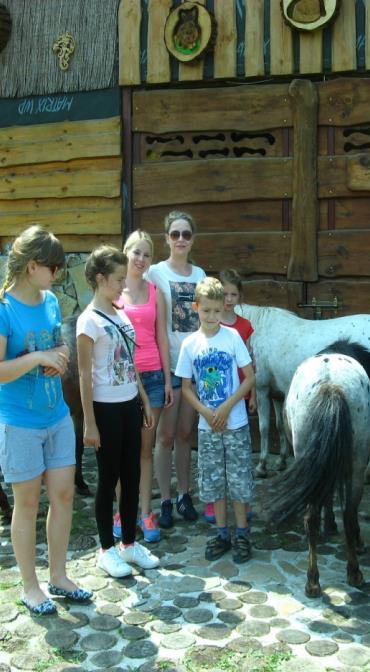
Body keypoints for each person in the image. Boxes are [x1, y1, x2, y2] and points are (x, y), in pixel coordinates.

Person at [0, 225, 91, 616]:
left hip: (56, 415)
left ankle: (58, 576)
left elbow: (58, 344)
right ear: (33, 266)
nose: (58, 274)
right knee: (27, 506)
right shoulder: (1, 312)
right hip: (20, 422)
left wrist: (57, 356)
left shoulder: (49, 302)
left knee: (63, 496)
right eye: (54, 267)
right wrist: (36, 360)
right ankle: (30, 586)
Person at [76, 245, 161, 578]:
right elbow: (85, 375)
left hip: (129, 404)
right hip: (105, 409)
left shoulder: (120, 313)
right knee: (108, 479)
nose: (123, 285)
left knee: (132, 476)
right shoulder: (88, 322)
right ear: (100, 279)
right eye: (118, 279)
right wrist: (90, 424)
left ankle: (129, 543)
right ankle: (105, 549)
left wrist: (141, 399)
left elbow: (130, 362)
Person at [174, 277, 255, 563]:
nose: (211, 317)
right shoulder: (190, 344)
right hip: (207, 426)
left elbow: (249, 377)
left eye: (217, 311)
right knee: (214, 480)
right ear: (196, 307)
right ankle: (222, 533)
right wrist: (207, 412)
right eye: (206, 310)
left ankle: (242, 532)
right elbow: (186, 387)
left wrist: (227, 407)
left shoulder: (232, 338)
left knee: (239, 478)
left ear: (224, 309)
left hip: (234, 423)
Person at [111, 230, 173, 543]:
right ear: (125, 253)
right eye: (136, 252)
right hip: (121, 379)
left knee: (144, 451)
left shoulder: (154, 293)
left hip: (152, 377)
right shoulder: (114, 293)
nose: (141, 259)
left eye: (146, 254)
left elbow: (161, 336)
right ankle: (123, 511)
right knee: (123, 451)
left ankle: (146, 511)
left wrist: (165, 377)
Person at [147, 211, 206, 529]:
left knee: (186, 433)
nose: (180, 239)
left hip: (193, 367)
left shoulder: (200, 274)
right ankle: (165, 498)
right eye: (174, 234)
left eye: (186, 234)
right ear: (166, 238)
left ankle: (185, 495)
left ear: (193, 238)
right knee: (165, 435)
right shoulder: (155, 273)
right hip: (166, 365)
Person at [203, 268, 257, 524]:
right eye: (224, 294)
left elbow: (251, 364)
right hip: (214, 398)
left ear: (239, 297)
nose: (228, 299)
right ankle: (216, 504)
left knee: (238, 457)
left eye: (233, 294)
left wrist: (253, 395)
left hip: (239, 394)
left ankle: (241, 502)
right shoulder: (211, 324)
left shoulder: (244, 327)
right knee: (215, 456)